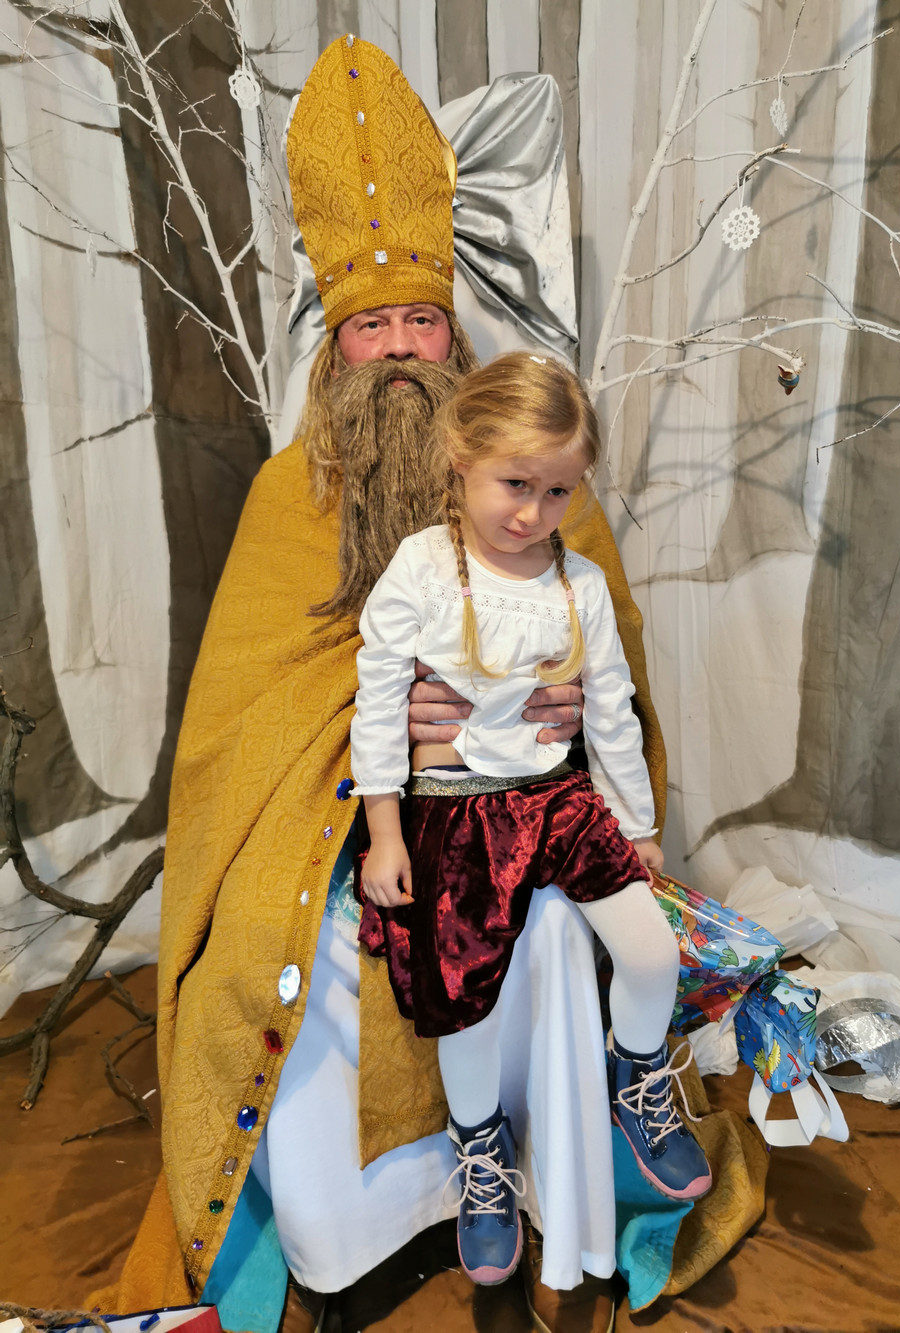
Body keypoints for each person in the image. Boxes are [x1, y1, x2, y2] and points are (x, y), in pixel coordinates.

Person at [93, 37, 669, 1333]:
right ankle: (355, 1239)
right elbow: (241, 726)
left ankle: (529, 1185)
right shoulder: (282, 498)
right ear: (337, 347)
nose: (402, 349)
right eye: (373, 326)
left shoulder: (528, 478)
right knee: (281, 950)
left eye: (421, 320)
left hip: (522, 812)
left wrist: (559, 728)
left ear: (452, 331)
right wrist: (374, 768)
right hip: (345, 833)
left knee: (556, 922)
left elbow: (610, 662)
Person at [351, 352, 712, 1286]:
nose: (533, 512)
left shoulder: (576, 581)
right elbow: (379, 700)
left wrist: (635, 824)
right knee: (467, 1000)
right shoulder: (423, 567)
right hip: (456, 810)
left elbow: (610, 709)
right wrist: (385, 832)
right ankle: (482, 1152)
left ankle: (637, 1077)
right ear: (461, 457)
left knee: (651, 951)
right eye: (516, 484)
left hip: (558, 799)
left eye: (558, 491)